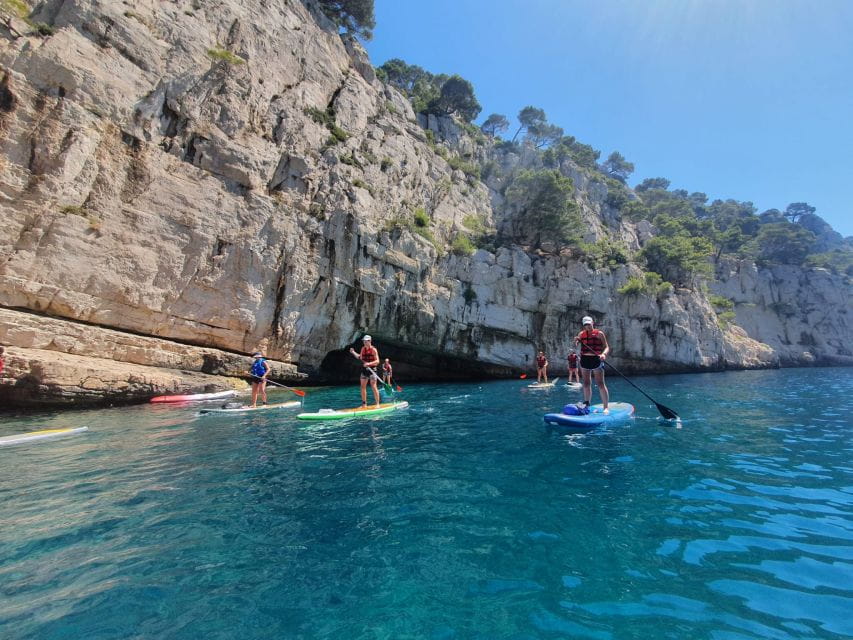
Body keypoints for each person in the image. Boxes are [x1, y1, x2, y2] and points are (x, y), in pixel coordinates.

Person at [574, 316, 610, 413]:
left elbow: (606, 347)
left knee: (600, 383)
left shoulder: (600, 334)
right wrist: (576, 341)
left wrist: (604, 354)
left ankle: (605, 407)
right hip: (585, 359)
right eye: (585, 324)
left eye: (589, 324)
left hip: (596, 359)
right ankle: (587, 404)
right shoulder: (581, 334)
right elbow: (576, 344)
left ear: (592, 323)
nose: (587, 326)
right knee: (586, 383)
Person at [349, 335, 381, 408]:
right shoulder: (363, 348)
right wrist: (353, 352)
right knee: (362, 387)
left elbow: (377, 361)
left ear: (370, 341)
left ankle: (377, 404)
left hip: (372, 370)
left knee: (373, 386)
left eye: (366, 341)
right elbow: (359, 357)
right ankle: (364, 404)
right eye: (364, 341)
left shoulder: (373, 350)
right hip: (365, 370)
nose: (365, 342)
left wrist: (369, 364)